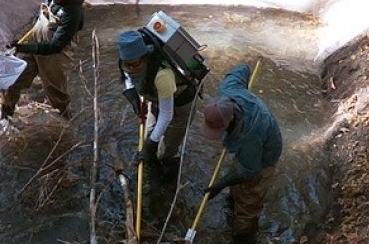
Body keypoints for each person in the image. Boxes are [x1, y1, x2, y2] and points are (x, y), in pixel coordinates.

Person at [196, 63, 282, 244]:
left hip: (266, 151)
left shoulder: (250, 134)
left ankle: (243, 235)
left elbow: (251, 171)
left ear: (231, 120)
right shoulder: (227, 91)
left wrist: (220, 184)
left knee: (249, 199)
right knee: (236, 183)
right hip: (250, 144)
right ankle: (233, 202)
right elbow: (242, 68)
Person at [0, 0, 86, 126]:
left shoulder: (72, 11)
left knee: (56, 95)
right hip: (36, 44)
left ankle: (68, 125)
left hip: (55, 56)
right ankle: (5, 119)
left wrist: (21, 48)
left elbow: (55, 46)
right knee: (11, 81)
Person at [116, 29, 196, 183]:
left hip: (180, 103)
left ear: (145, 58)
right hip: (157, 98)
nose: (133, 68)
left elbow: (167, 114)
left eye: (137, 64)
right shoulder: (125, 62)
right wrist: (133, 99)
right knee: (150, 137)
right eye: (128, 65)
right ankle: (152, 168)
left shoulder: (162, 75)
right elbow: (128, 78)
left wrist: (151, 144)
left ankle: (169, 178)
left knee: (165, 151)